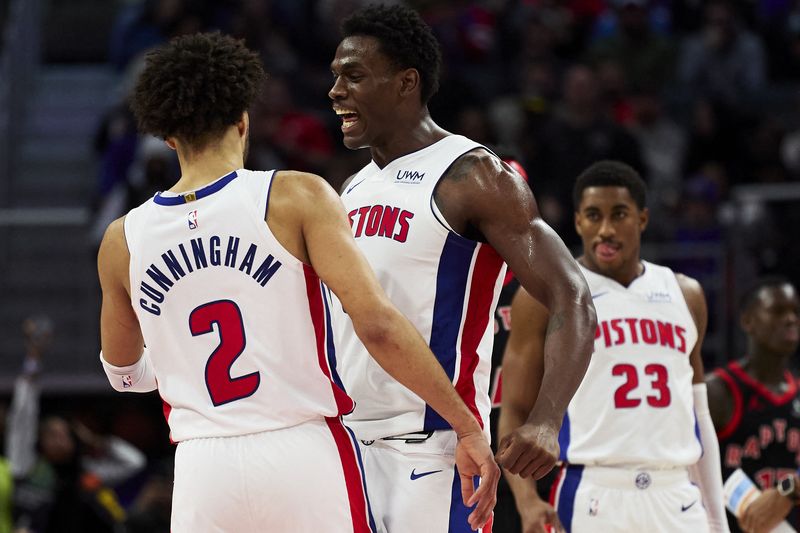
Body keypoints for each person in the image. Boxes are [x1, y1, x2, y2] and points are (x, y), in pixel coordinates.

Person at [96, 32, 499, 532]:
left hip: (203, 467)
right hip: (302, 452)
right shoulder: (295, 196)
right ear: (243, 121)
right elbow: (376, 325)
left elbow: (123, 375)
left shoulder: (123, 239)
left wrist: (178, 359)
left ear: (168, 137)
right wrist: (465, 425)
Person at [328, 5, 596, 532]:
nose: (335, 91)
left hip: (434, 451)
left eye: (353, 76)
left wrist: (546, 417)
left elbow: (572, 296)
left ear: (406, 83)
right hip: (346, 444)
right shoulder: (353, 187)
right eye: (335, 76)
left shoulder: (473, 176)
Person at [499, 160, 729, 532]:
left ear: (642, 219)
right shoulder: (545, 296)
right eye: (593, 215)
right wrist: (527, 502)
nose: (605, 229)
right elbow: (515, 409)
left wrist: (718, 522)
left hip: (677, 495)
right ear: (577, 222)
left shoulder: (685, 294)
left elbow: (699, 416)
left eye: (619, 214)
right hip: (593, 492)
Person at [707, 276, 800, 533]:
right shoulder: (718, 391)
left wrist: (787, 492)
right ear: (748, 321)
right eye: (778, 311)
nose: (791, 319)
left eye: (795, 312)